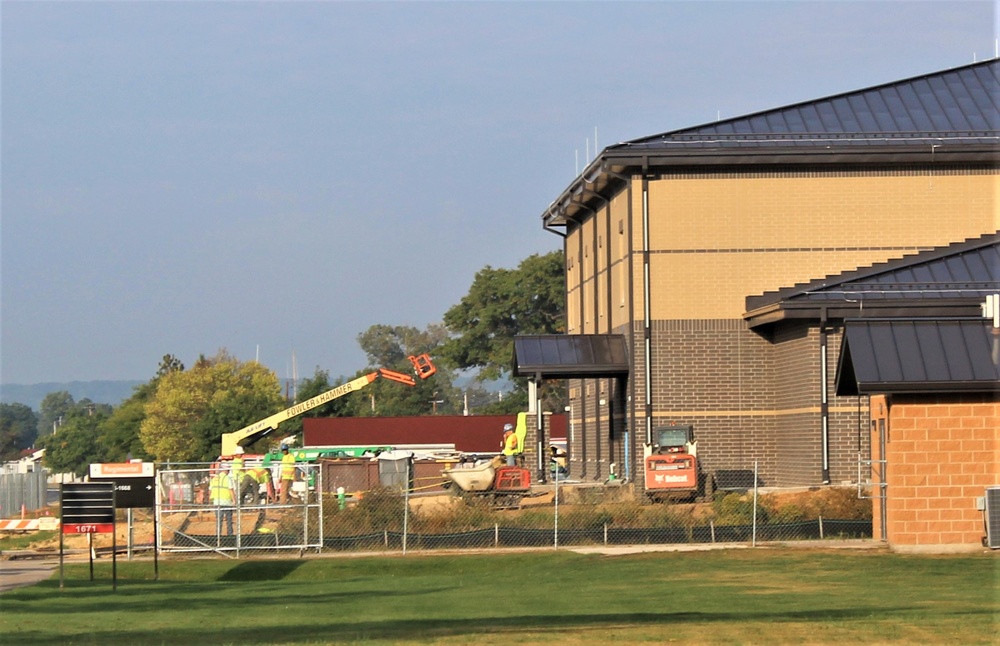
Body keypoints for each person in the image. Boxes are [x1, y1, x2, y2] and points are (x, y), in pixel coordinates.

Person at [208, 467, 235, 536]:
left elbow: (210, 490)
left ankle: (218, 535)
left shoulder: (214, 479)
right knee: (229, 519)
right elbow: (231, 490)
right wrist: (234, 500)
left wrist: (210, 499)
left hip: (217, 501)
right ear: (227, 471)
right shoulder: (228, 478)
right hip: (227, 501)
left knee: (219, 520)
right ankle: (230, 534)